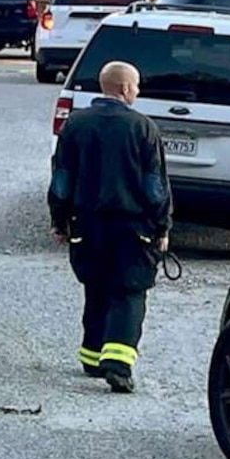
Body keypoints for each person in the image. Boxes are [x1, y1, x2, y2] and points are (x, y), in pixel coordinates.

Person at [47, 57, 171, 394]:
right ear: (126, 88)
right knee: (128, 292)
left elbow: (61, 180)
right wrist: (162, 227)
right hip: (133, 227)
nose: (138, 91)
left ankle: (91, 356)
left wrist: (59, 220)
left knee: (96, 288)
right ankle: (117, 364)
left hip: (87, 224)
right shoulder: (143, 128)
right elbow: (154, 186)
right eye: (137, 86)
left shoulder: (76, 125)